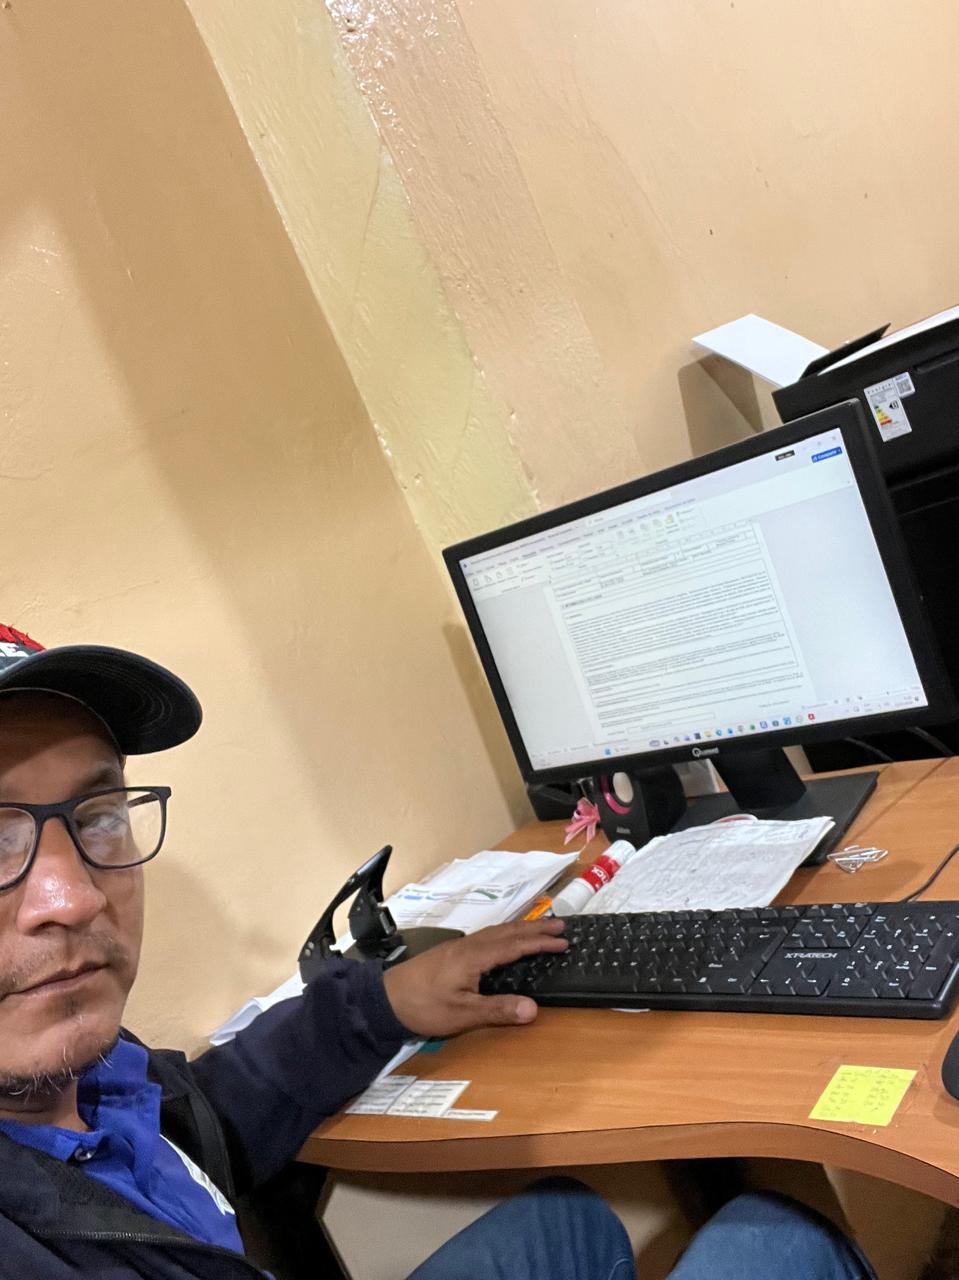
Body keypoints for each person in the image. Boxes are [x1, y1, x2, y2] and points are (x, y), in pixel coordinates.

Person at [0, 622, 877, 1280]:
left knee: (566, 1218)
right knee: (777, 1240)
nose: (73, 897)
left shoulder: (93, 1085)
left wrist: (382, 1001)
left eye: (95, 817)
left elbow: (208, 1115)